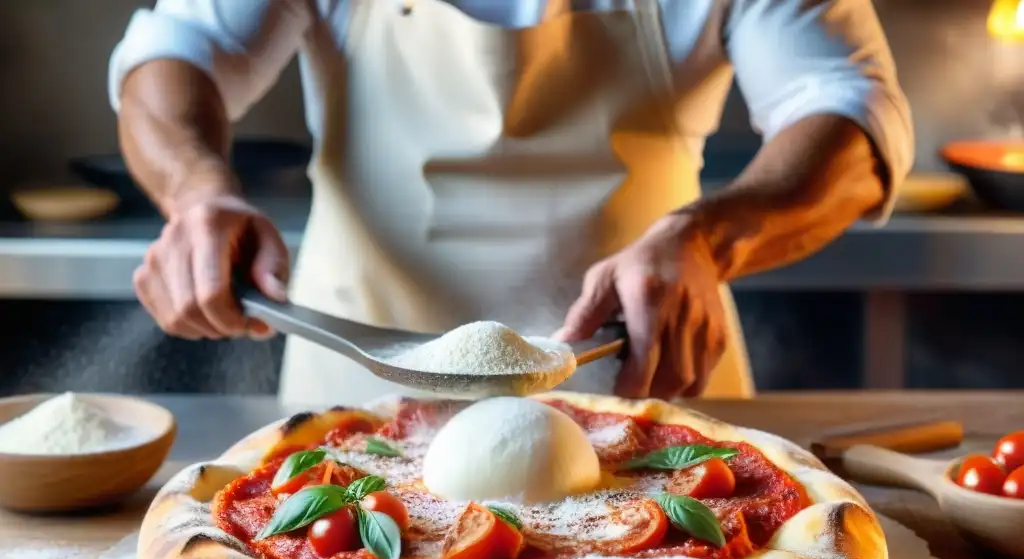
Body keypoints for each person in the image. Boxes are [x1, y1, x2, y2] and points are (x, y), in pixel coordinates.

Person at [110, 0, 912, 405]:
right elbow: (177, 53)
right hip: (359, 398)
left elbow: (848, 111)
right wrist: (197, 193)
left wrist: (709, 239)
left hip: (644, 396)